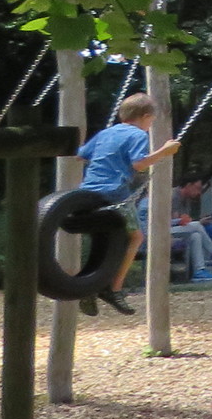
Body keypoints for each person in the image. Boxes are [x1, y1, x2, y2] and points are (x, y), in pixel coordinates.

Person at [75, 93, 181, 315]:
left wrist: (108, 158)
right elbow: (139, 164)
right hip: (115, 194)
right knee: (136, 237)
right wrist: (164, 151)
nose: (150, 126)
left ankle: (90, 285)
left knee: (103, 239)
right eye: (151, 121)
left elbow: (81, 155)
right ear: (146, 116)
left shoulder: (106, 133)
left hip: (87, 193)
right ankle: (114, 288)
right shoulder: (137, 135)